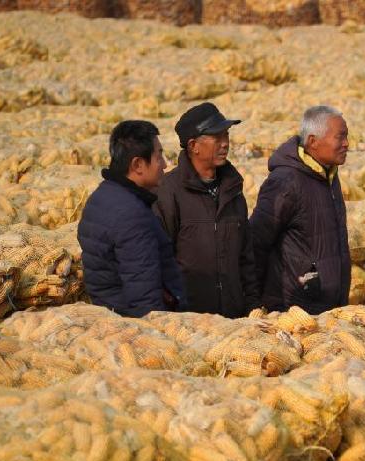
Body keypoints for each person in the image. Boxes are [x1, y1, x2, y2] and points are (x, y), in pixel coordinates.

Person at [154, 102, 260, 318]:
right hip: (190, 320)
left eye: (226, 135)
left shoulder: (233, 190)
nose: (225, 143)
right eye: (217, 137)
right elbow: (158, 258)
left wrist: (252, 305)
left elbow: (246, 258)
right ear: (194, 145)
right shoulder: (169, 191)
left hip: (234, 318)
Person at [250, 105, 351, 314]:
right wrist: (253, 303)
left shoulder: (329, 175)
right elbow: (255, 243)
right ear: (313, 142)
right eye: (340, 137)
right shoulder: (286, 182)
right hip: (295, 309)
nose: (346, 143)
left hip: (328, 307)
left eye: (347, 136)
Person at [78, 120, 184, 317]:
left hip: (110, 311)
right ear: (138, 165)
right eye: (159, 156)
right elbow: (143, 294)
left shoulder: (101, 196)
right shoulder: (132, 214)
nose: (164, 164)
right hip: (131, 318)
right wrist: (158, 329)